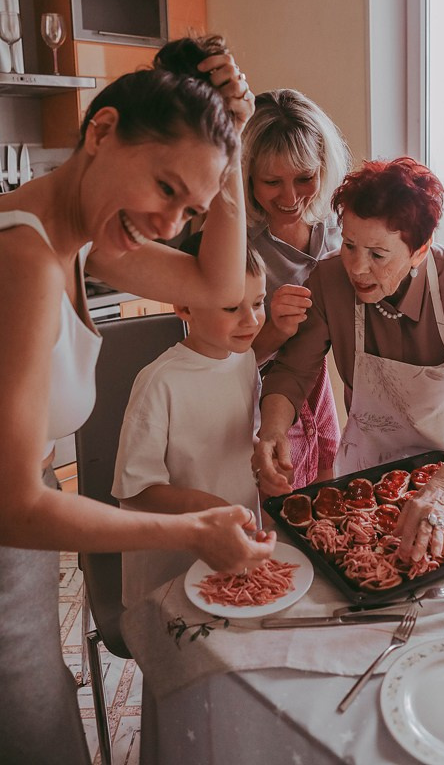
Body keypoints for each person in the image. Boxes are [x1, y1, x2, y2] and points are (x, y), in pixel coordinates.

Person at [0, 40, 275, 764]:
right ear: (100, 131)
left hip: (19, 569)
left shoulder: (85, 243)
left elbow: (218, 285)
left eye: (191, 210)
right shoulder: (24, 263)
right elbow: (13, 503)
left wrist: (232, 151)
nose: (169, 224)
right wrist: (192, 532)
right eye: (164, 187)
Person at [253, 156, 444, 566]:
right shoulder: (327, 280)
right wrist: (272, 430)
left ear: (419, 251)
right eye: (350, 245)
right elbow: (291, 372)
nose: (357, 268)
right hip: (366, 473)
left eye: (378, 254)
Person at [112, 239, 278, 607]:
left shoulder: (245, 358)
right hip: (171, 565)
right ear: (184, 306)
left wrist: (262, 462)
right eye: (232, 307)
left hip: (232, 548)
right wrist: (210, 507)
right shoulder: (160, 382)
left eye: (257, 302)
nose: (251, 320)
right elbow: (135, 487)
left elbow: (236, 436)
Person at [241, 88, 351, 487]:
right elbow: (220, 365)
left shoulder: (339, 233)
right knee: (274, 493)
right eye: (272, 182)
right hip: (251, 399)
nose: (290, 198)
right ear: (247, 175)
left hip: (318, 390)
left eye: (305, 178)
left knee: (326, 484)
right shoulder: (237, 248)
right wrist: (273, 330)